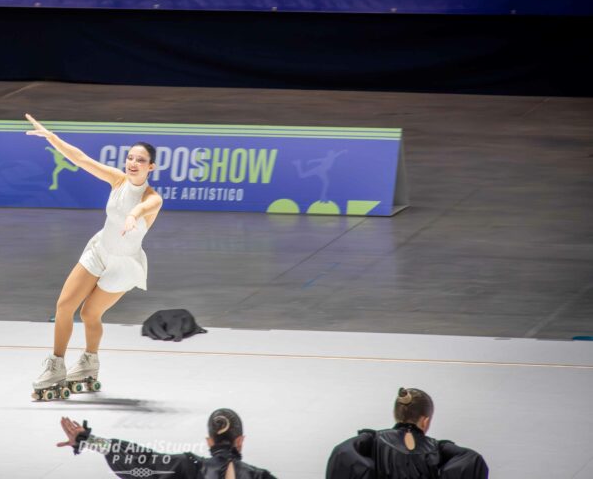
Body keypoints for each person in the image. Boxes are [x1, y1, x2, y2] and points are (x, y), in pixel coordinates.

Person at [25, 113, 163, 399]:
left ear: (151, 167)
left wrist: (132, 216)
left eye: (140, 160)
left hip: (124, 264)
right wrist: (52, 138)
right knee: (64, 305)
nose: (133, 163)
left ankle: (89, 361)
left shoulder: (153, 197)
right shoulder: (117, 180)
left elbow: (142, 208)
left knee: (90, 313)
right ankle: (56, 365)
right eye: (130, 158)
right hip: (100, 250)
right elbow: (82, 160)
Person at [57, 408, 278, 478]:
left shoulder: (186, 466)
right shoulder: (262, 476)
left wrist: (89, 440)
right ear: (240, 441)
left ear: (209, 441)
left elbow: (137, 461)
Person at [325, 387, 489, 479]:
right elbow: (472, 460)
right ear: (425, 421)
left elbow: (343, 454)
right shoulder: (438, 448)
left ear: (396, 414)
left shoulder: (372, 440)